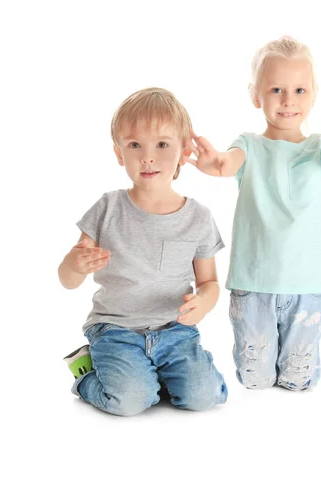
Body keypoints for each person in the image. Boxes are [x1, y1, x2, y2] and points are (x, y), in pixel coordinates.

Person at [189, 37, 321, 391]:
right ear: (256, 95)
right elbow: (229, 163)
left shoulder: (319, 147)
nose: (288, 100)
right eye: (276, 89)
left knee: (299, 379)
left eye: (300, 90)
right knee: (255, 379)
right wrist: (216, 164)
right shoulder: (249, 145)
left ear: (313, 94)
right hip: (254, 282)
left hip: (307, 284)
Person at [59, 87, 228, 415]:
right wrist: (74, 265)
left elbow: (209, 282)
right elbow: (67, 279)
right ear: (119, 154)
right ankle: (88, 376)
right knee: (130, 402)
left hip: (175, 330)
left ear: (183, 152)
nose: (147, 157)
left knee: (204, 397)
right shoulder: (107, 208)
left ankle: (156, 374)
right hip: (116, 329)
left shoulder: (198, 217)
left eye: (162, 144)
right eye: (135, 145)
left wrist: (204, 303)